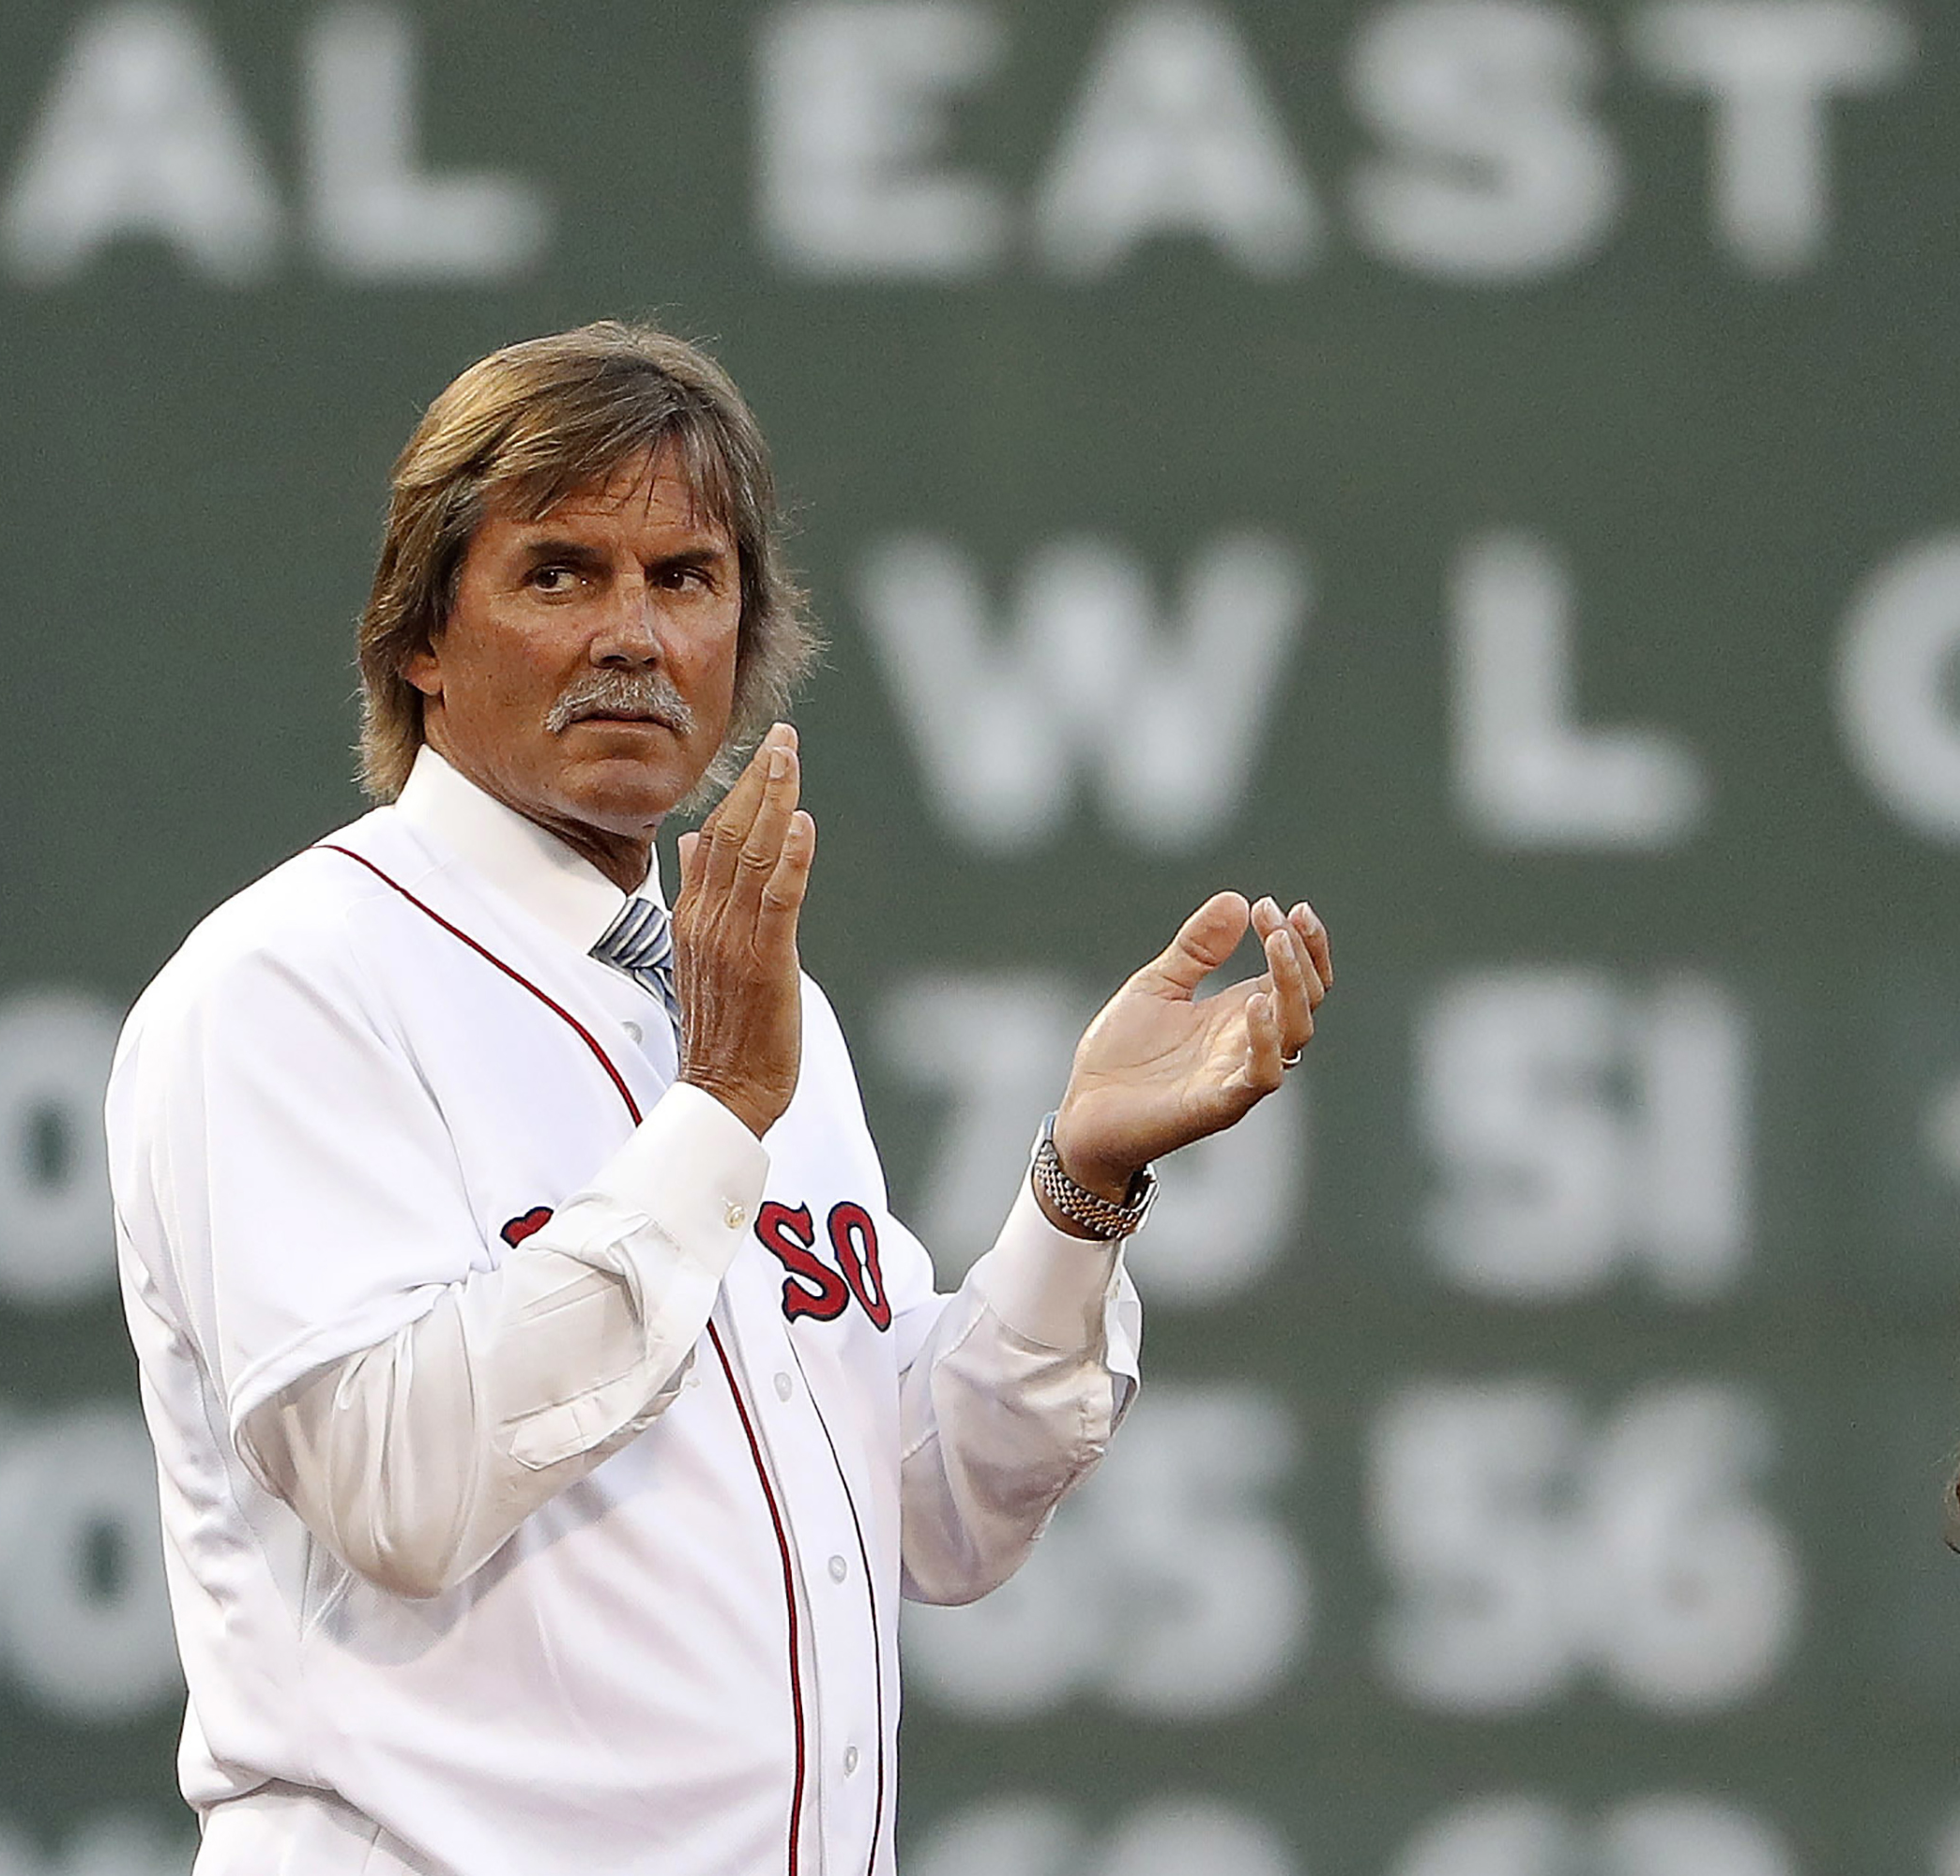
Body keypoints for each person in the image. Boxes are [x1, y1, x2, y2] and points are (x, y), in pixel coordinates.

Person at [104, 322, 1332, 1876]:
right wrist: (716, 1119)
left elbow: (931, 1511)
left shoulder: (748, 1009)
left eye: (684, 580)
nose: (632, 633)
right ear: (420, 636)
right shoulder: (295, 981)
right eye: (558, 572)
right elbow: (393, 1484)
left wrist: (1078, 1191)